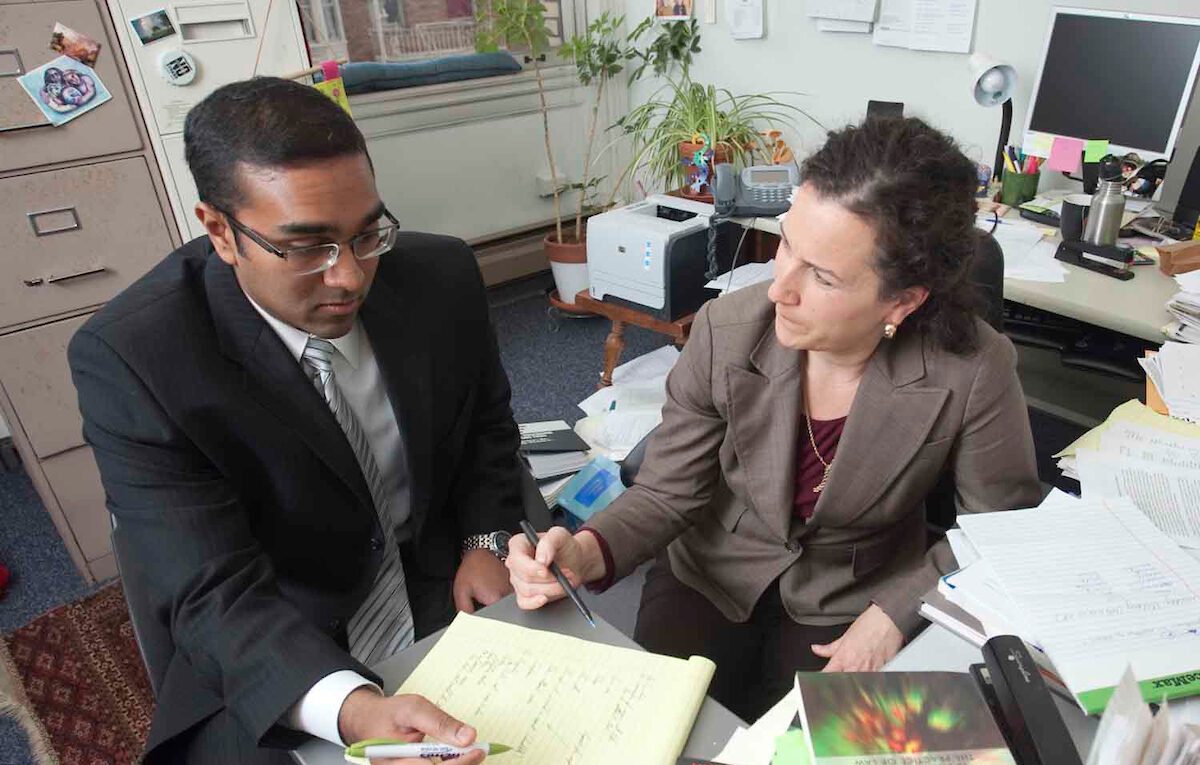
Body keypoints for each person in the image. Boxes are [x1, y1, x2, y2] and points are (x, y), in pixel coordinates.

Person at [507, 117, 1042, 722]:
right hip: (711, 570)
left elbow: (997, 530)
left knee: (805, 745)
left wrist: (898, 610)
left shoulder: (974, 368)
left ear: (903, 300)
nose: (778, 289)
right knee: (657, 730)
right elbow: (668, 492)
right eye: (788, 244)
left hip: (854, 588)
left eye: (822, 275)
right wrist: (586, 548)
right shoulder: (726, 331)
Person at [69, 77, 524, 764]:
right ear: (220, 230)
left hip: (438, 581)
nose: (349, 277)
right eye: (306, 247)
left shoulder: (441, 275)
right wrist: (355, 707)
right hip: (274, 634)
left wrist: (486, 538)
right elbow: (211, 589)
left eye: (366, 231)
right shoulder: (137, 359)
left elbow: (486, 426)